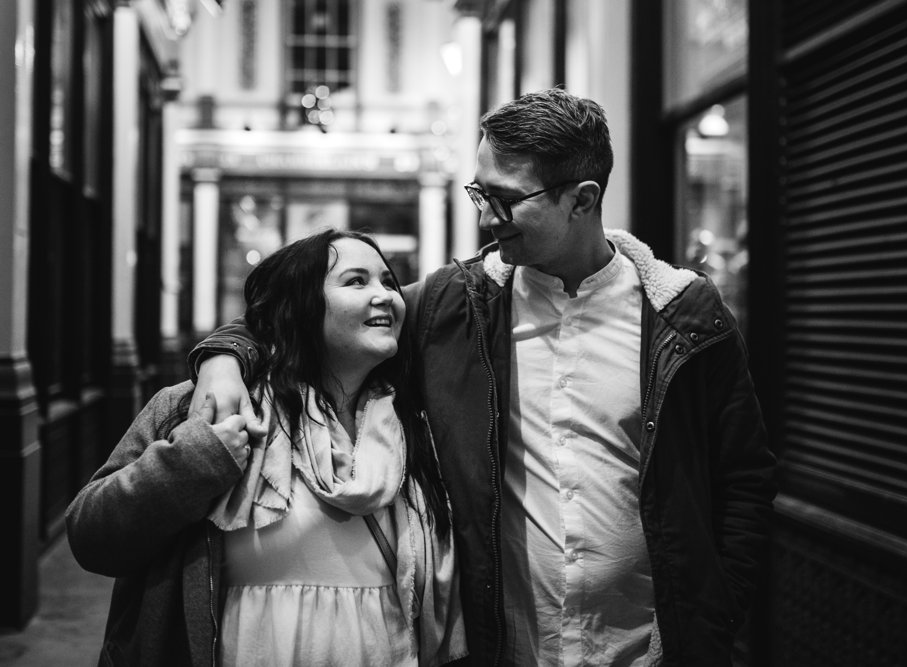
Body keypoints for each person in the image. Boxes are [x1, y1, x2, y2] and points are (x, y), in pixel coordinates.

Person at [189, 88, 776, 666]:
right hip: (509, 646)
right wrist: (223, 356)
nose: (484, 216)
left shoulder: (684, 315)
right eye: (479, 192)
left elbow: (743, 478)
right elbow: (302, 318)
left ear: (582, 198)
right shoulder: (454, 303)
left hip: (651, 647)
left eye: (504, 198)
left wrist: (713, 620)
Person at [65, 229, 467, 666]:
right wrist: (193, 460)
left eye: (388, 282)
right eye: (356, 281)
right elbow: (92, 537)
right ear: (300, 306)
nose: (385, 295)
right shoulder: (206, 405)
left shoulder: (418, 421)